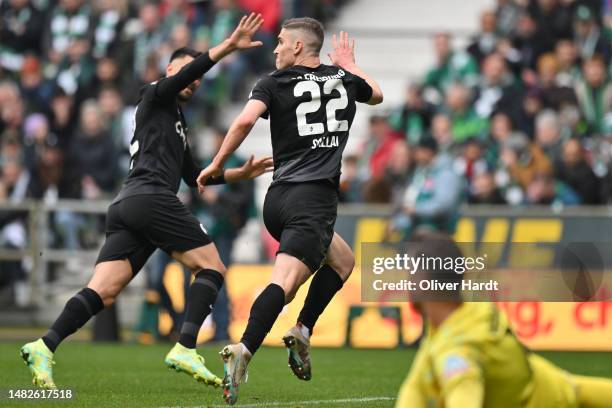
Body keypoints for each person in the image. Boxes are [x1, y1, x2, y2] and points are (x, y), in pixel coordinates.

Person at [20, 13, 272, 391]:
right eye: (187, 71)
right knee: (213, 268)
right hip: (150, 198)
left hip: (131, 204)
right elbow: (185, 76)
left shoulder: (175, 121)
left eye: (199, 77)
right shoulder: (152, 93)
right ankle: (185, 346)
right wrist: (226, 48)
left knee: (102, 291)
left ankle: (44, 344)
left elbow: (195, 176)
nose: (196, 78)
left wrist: (239, 174)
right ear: (169, 69)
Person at [197, 18, 383, 405]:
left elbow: (247, 119)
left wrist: (217, 163)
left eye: (281, 42)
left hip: (278, 198)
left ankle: (302, 329)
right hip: (312, 201)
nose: (276, 48)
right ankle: (244, 349)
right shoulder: (344, 80)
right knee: (285, 283)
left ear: (299, 47)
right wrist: (349, 63)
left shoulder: (272, 82)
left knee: (343, 261)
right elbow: (377, 94)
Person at [395, 231, 612, 408]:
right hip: (550, 383)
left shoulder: (459, 352)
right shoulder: (459, 319)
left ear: (422, 282)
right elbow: (415, 387)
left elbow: (462, 387)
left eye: (409, 274)